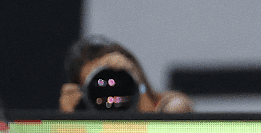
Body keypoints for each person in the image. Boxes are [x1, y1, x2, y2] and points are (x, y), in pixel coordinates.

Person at [58, 36, 193, 113]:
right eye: (97, 83)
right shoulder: (84, 126)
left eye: (116, 78)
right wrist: (67, 120)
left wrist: (139, 86)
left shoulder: (170, 106)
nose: (109, 89)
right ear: (82, 91)